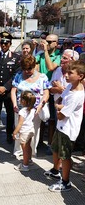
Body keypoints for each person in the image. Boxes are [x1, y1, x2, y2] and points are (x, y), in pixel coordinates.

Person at [44, 60, 85, 192]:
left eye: (70, 73)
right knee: (56, 149)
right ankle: (56, 170)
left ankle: (66, 182)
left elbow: (62, 115)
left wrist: (59, 108)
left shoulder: (77, 94)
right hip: (60, 127)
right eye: (66, 72)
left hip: (68, 130)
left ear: (80, 76)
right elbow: (59, 99)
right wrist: (60, 107)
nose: (66, 76)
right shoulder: (69, 86)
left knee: (65, 156)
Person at [11, 55, 50, 157]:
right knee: (19, 129)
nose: (27, 71)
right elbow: (13, 90)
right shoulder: (18, 75)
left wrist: (40, 106)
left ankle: (31, 153)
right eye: (24, 69)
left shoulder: (42, 77)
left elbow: (46, 93)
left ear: (34, 66)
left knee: (34, 131)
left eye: (29, 69)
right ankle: (18, 151)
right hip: (19, 109)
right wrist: (14, 104)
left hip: (35, 110)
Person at [0, 31, 20, 143]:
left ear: (10, 44)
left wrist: (5, 87)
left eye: (6, 43)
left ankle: (9, 133)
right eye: (2, 43)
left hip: (9, 91)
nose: (4, 45)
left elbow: (16, 75)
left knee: (10, 113)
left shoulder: (16, 58)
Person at [36, 34, 61, 152]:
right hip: (42, 90)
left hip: (53, 91)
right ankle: (39, 141)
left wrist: (45, 51)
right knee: (40, 117)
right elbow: (35, 68)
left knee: (51, 120)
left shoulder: (58, 56)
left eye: (51, 42)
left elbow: (51, 67)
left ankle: (50, 144)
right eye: (47, 41)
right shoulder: (40, 55)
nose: (48, 43)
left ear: (56, 43)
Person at [13, 91, 36, 172]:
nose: (19, 99)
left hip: (24, 132)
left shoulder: (22, 111)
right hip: (31, 130)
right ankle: (29, 160)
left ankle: (25, 165)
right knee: (28, 146)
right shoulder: (33, 109)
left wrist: (14, 132)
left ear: (23, 101)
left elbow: (20, 124)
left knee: (24, 150)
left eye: (20, 98)